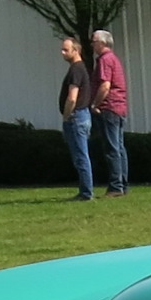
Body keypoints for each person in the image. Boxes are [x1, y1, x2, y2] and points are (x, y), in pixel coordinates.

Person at [91, 29, 129, 197]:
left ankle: (115, 186)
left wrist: (95, 103)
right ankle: (123, 184)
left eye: (94, 41)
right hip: (119, 107)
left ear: (102, 43)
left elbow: (105, 85)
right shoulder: (114, 59)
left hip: (109, 107)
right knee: (119, 148)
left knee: (112, 148)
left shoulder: (104, 60)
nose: (92, 45)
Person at [57, 36, 94, 201]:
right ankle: (85, 191)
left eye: (66, 50)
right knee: (80, 156)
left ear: (76, 50)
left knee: (81, 156)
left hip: (76, 117)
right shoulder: (78, 68)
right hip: (82, 116)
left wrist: (66, 117)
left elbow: (72, 98)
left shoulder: (76, 70)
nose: (62, 53)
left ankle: (86, 192)